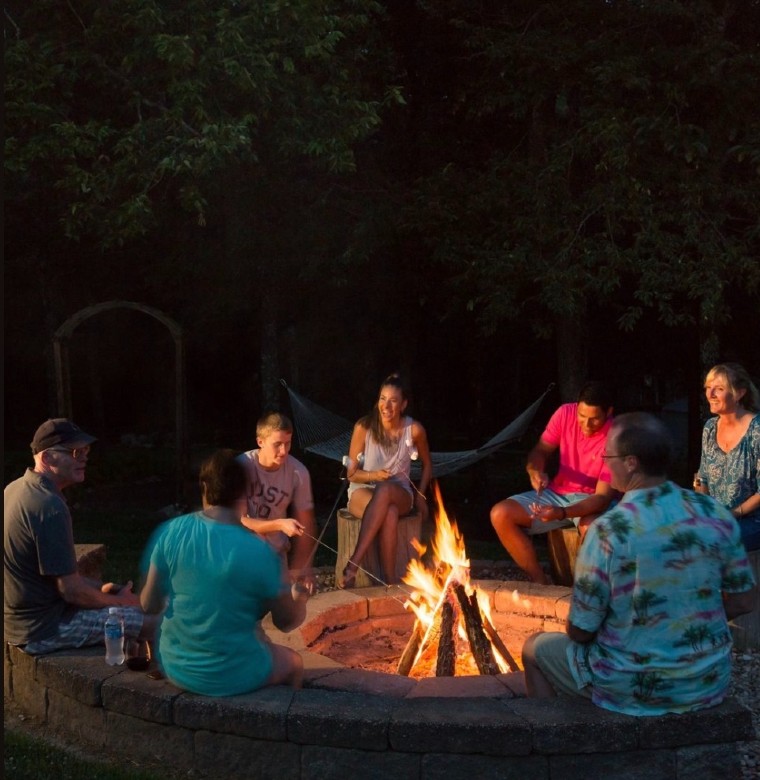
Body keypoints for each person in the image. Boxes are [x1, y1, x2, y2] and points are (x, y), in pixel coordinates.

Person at [522, 412, 757, 716]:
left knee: (535, 648)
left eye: (608, 455)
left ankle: (555, 743)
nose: (604, 462)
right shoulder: (714, 513)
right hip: (707, 680)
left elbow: (581, 629)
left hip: (632, 685)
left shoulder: (610, 529)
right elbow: (744, 599)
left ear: (630, 462)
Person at [140, 449, 308, 694]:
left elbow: (148, 604)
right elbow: (286, 622)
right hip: (233, 672)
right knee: (295, 663)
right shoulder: (259, 551)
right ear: (244, 491)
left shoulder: (170, 531)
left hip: (175, 664)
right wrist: (300, 597)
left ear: (204, 486)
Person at [4, 418, 156, 654]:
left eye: (85, 450)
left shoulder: (15, 489)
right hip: (44, 629)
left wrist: (106, 587)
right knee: (155, 623)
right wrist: (122, 602)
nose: (84, 457)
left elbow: (57, 576)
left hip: (22, 622)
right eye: (75, 452)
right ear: (46, 458)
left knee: (128, 610)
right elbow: (71, 591)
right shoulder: (49, 506)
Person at [490, 381, 616, 583]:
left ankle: (587, 594)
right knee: (500, 513)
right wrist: (535, 471)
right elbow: (540, 451)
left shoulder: (616, 437)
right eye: (582, 416)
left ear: (609, 412)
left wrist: (561, 513)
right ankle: (541, 584)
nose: (585, 424)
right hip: (558, 492)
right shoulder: (565, 413)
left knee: (592, 529)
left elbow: (602, 498)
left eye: (594, 419)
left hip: (591, 501)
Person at [338, 373, 432, 589]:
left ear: (403, 404)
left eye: (393, 400)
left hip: (399, 492)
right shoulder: (364, 427)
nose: (386, 406)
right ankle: (388, 582)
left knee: (387, 491)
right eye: (382, 398)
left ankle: (352, 565)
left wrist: (420, 496)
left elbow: (428, 464)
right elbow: (351, 474)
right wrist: (373, 476)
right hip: (363, 489)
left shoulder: (414, 430)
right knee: (388, 512)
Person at [237, 413, 317, 590]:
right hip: (242, 551)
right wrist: (280, 524)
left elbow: (306, 522)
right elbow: (241, 519)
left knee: (283, 611)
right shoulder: (242, 466)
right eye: (277, 444)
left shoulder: (298, 472)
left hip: (276, 553)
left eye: (288, 443)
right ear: (260, 442)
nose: (284, 451)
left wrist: (303, 566)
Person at [695, 362, 760, 552]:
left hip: (751, 520)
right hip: (718, 518)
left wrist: (732, 514)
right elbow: (702, 477)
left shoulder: (756, 430)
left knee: (711, 542)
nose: (710, 394)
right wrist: (703, 508)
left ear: (739, 393)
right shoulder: (710, 427)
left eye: (719, 389)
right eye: (708, 388)